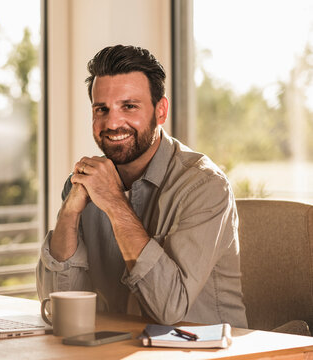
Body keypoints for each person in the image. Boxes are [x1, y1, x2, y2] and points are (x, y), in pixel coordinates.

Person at [36, 45, 248, 328]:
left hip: (203, 352)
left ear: (161, 111)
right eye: (102, 109)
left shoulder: (204, 185)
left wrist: (113, 202)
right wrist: (70, 213)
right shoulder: (86, 182)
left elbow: (169, 309)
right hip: (118, 347)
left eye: (129, 106)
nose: (112, 122)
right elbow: (58, 302)